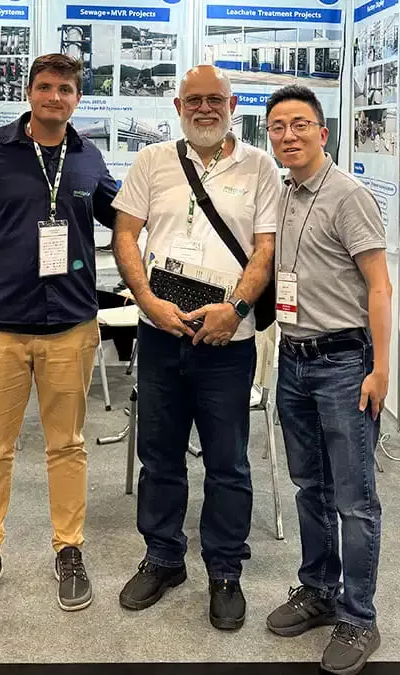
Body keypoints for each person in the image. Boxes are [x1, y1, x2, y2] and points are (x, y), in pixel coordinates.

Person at [111, 65, 280, 630]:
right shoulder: (151, 161)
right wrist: (147, 300)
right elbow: (125, 234)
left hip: (227, 341)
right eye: (194, 100)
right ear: (178, 106)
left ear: (232, 105)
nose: (205, 109)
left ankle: (225, 570)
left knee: (228, 462)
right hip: (161, 333)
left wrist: (236, 310)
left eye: (215, 100)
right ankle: (163, 558)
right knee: (159, 455)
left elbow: (265, 248)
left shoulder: (259, 167)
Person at [0, 53, 118, 614]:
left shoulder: (89, 157)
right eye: (45, 87)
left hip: (71, 322)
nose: (54, 97)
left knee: (67, 446)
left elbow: (118, 214)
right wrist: (1, 257)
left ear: (77, 98)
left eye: (65, 89)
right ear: (29, 92)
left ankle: (69, 549)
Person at [263, 84, 391, 675]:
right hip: (293, 359)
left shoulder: (348, 196)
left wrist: (380, 368)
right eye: (278, 126)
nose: (288, 135)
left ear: (322, 132)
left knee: (354, 499)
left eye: (299, 125)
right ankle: (318, 589)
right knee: (308, 486)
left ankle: (359, 617)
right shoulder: (284, 191)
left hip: (342, 362)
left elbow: (379, 286)